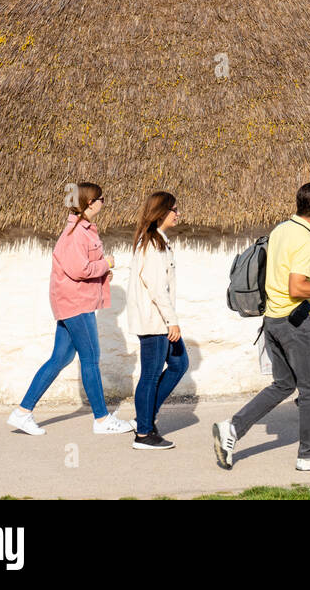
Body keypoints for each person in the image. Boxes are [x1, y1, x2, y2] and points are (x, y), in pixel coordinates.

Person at [212, 182, 310, 472]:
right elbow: (297, 286)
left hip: (273, 321)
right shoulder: (305, 238)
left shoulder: (280, 229)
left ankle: (231, 429)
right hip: (295, 323)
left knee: (283, 384)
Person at [7, 183, 135, 436]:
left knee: (61, 358)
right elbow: (81, 270)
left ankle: (22, 412)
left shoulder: (83, 230)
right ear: (89, 203)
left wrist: (101, 272)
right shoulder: (75, 234)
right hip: (76, 304)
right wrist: (105, 263)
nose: (103, 203)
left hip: (73, 302)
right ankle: (101, 419)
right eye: (101, 199)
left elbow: (79, 269)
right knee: (90, 359)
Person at [127, 191, 188, 450]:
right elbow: (156, 288)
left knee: (179, 363)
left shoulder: (158, 241)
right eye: (175, 209)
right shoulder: (152, 244)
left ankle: (146, 417)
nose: (178, 213)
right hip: (154, 321)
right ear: (162, 211)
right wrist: (171, 321)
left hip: (159, 320)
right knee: (150, 375)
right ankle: (143, 433)